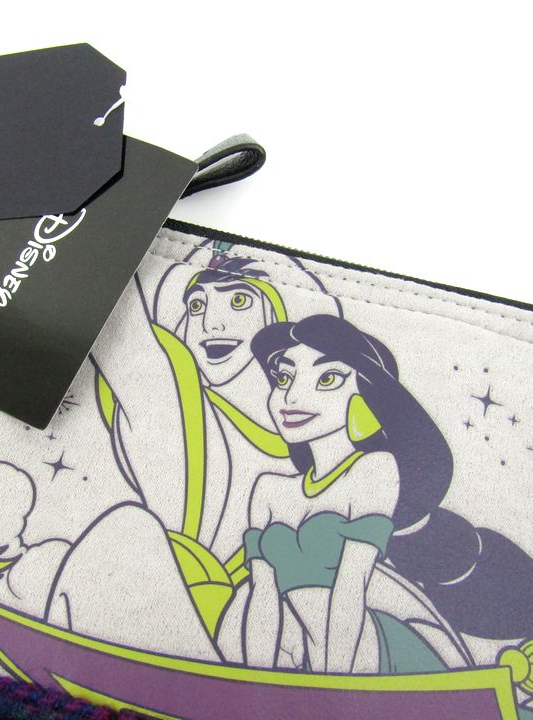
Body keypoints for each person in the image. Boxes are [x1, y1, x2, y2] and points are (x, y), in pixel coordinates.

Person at [44, 240, 340, 659]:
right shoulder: (175, 401)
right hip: (134, 613)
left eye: (239, 301)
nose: (211, 324)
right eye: (197, 305)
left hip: (236, 640)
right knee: (128, 528)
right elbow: (126, 328)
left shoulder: (321, 454)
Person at [244, 315, 533, 674]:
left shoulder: (375, 471)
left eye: (328, 378)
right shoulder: (268, 489)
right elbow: (262, 597)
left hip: (374, 659)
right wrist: (251, 682)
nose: (291, 397)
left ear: (368, 395)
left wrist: (333, 688)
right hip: (308, 658)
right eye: (284, 378)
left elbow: (352, 589)